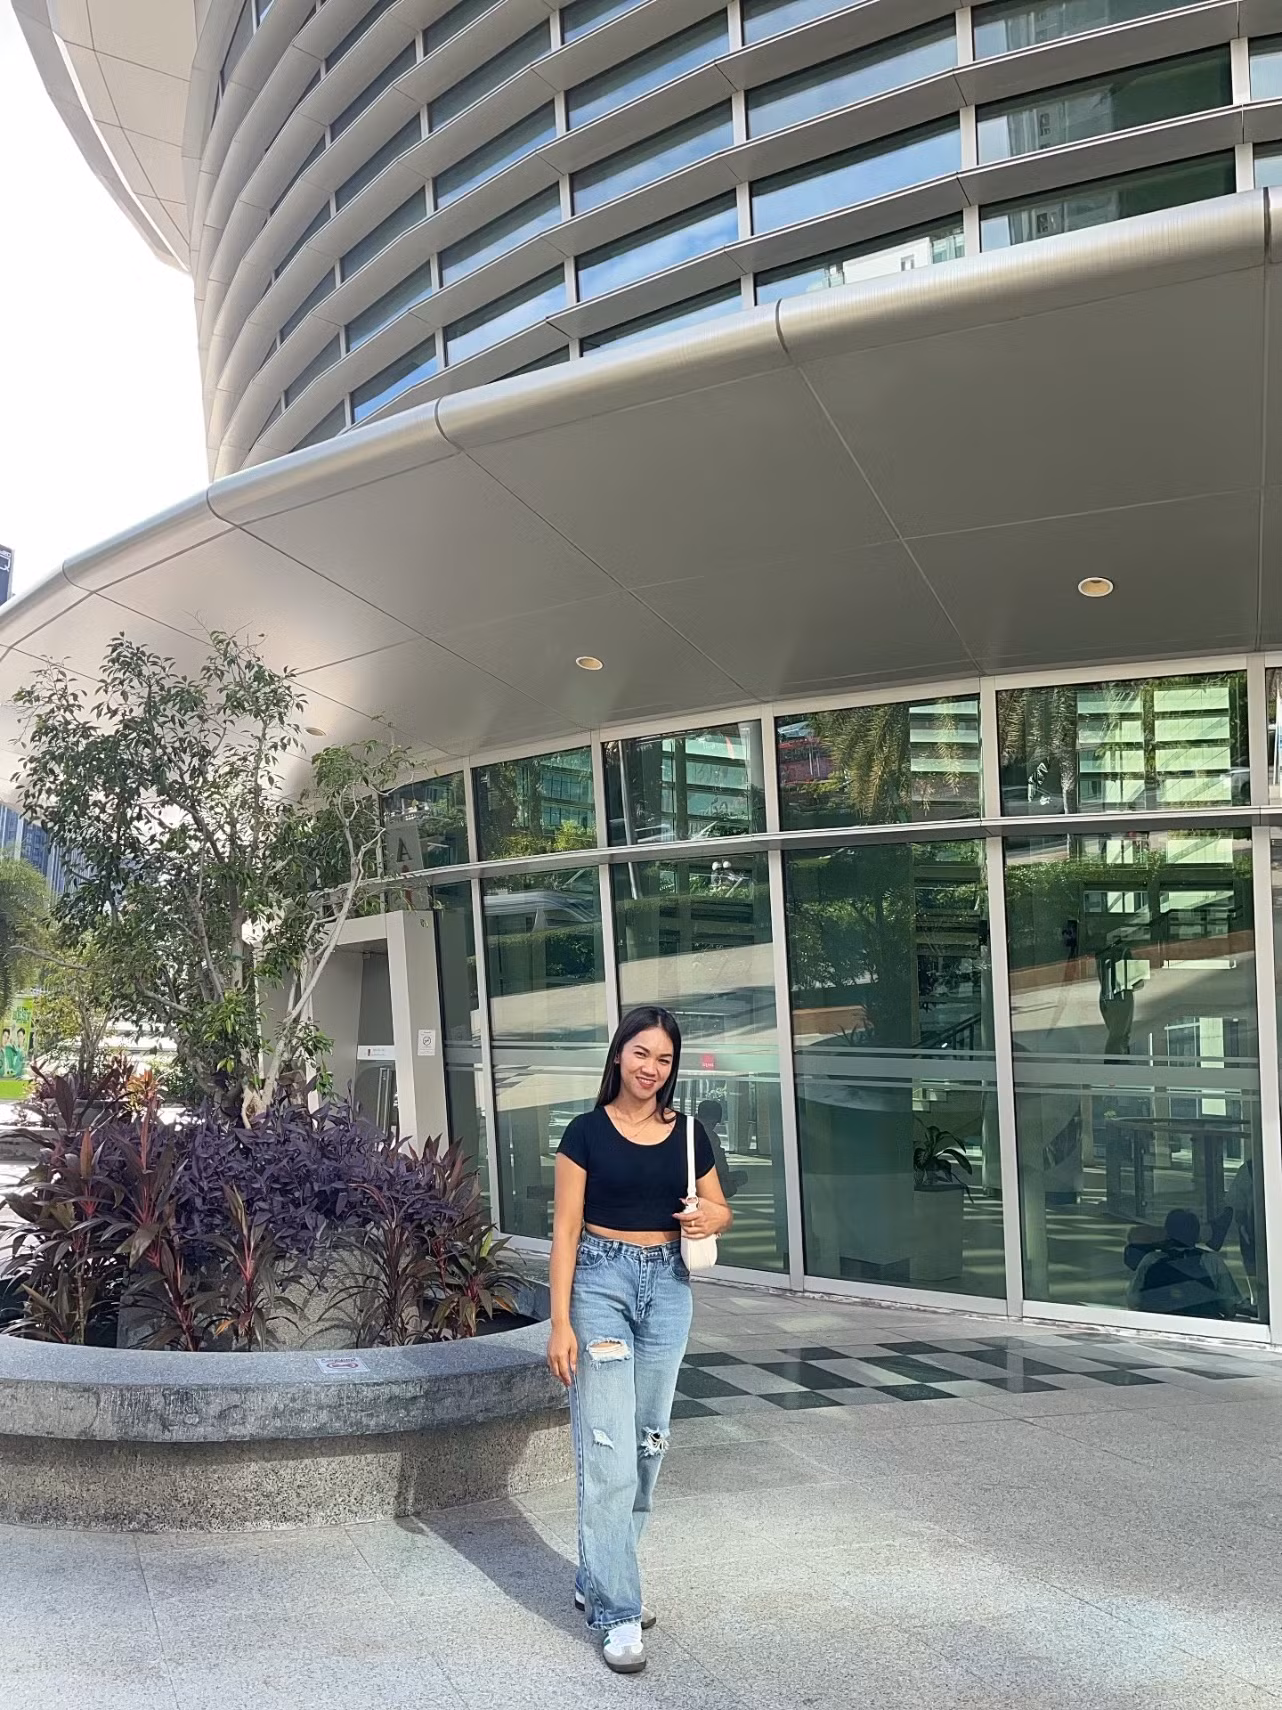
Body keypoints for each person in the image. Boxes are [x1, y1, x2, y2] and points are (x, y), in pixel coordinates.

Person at [547, 1006, 733, 1675]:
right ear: (619, 1055)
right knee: (609, 1448)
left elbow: (721, 1208)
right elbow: (566, 1230)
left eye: (664, 1059)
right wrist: (560, 1322)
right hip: (600, 1285)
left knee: (649, 1440)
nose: (651, 1068)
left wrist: (708, 1218)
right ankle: (618, 1609)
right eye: (641, 1053)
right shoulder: (584, 1133)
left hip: (670, 1287)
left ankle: (599, 1572)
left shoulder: (688, 1134)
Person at [1126, 1208, 1241, 1319]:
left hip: (1159, 1324)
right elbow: (1230, 1306)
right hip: (1201, 1325)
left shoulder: (1151, 1259)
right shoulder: (1211, 1261)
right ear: (1196, 1235)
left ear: (1167, 1234)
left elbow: (1132, 1301)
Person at [695, 1097, 747, 1200]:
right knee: (740, 1177)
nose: (712, 1127)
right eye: (711, 1123)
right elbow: (719, 1162)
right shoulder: (710, 1137)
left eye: (713, 1124)